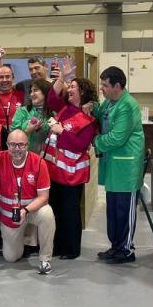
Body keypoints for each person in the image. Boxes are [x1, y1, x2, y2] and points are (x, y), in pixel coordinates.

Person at [0, 130, 56, 275]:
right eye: (13, 145)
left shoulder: (39, 162)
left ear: (27, 145)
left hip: (30, 211)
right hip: (9, 216)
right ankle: (23, 241)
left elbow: (44, 197)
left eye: (21, 145)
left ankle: (45, 259)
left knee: (47, 214)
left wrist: (25, 211)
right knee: (11, 257)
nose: (17, 149)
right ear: (7, 145)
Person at [45, 57, 98, 260]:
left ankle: (72, 249)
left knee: (70, 212)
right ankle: (58, 246)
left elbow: (80, 145)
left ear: (82, 92)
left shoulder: (88, 118)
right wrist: (63, 76)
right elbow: (51, 98)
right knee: (56, 210)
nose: (69, 88)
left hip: (72, 175)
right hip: (55, 172)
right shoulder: (65, 108)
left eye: (73, 86)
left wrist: (60, 132)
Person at [94, 66, 145, 265]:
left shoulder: (127, 105)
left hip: (127, 168)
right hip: (113, 166)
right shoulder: (110, 102)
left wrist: (96, 141)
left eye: (105, 85)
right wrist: (93, 107)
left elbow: (117, 137)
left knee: (124, 210)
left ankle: (126, 250)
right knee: (113, 210)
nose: (102, 89)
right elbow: (102, 115)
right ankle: (115, 246)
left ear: (117, 85)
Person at [11, 79, 53, 152]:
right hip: (25, 155)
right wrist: (27, 131)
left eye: (35, 90)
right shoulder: (23, 111)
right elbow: (13, 137)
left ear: (45, 92)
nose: (31, 94)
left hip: (47, 157)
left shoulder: (52, 114)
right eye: (31, 91)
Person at [0, 65, 25, 129]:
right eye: (1, 77)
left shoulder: (22, 95)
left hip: (17, 135)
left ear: (13, 78)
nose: (4, 80)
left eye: (8, 77)